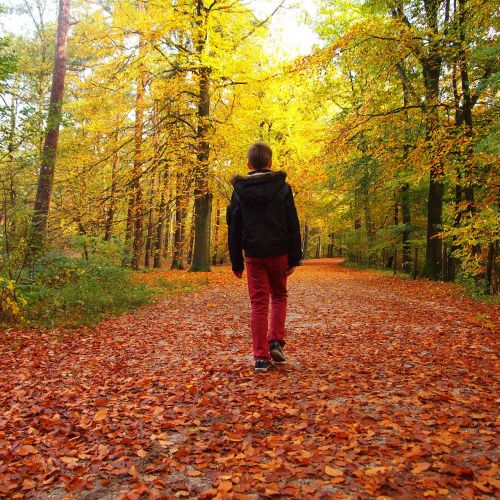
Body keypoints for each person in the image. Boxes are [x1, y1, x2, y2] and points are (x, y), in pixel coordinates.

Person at [226, 142, 302, 372]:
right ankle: (276, 341)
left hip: (253, 254)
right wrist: (294, 256)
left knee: (259, 304)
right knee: (279, 295)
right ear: (270, 162)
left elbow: (234, 227)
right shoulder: (283, 188)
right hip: (278, 252)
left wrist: (236, 262)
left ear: (249, 165)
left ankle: (260, 358)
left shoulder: (240, 192)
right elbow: (293, 223)